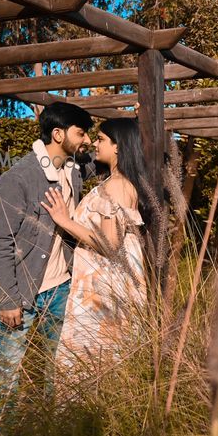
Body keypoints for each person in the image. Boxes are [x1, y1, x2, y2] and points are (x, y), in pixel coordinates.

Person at [0, 101, 96, 426]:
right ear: (58, 134)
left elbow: (106, 158)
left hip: (62, 289)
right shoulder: (18, 178)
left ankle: (50, 435)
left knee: (57, 370)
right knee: (8, 374)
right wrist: (7, 299)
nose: (86, 139)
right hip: (23, 294)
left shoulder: (73, 169)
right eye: (81, 132)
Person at [41, 118, 149, 375]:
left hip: (102, 291)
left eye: (101, 139)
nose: (94, 144)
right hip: (101, 285)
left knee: (91, 362)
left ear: (118, 147)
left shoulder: (118, 186)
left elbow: (110, 244)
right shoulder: (116, 182)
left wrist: (64, 221)